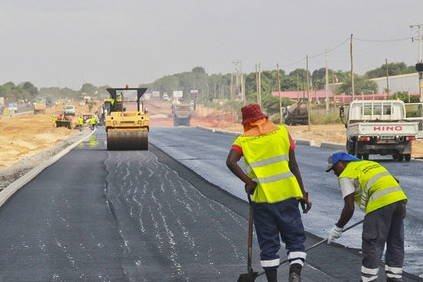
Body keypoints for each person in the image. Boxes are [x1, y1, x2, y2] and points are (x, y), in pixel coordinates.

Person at [226, 103, 311, 282]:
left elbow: (230, 161)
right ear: (264, 117)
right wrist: (303, 194)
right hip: (287, 194)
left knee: (268, 244)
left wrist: (249, 182)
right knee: (295, 239)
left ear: (247, 122)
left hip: (262, 199)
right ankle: (295, 273)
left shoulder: (243, 140)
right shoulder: (282, 131)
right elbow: (293, 165)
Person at [325, 151, 407, 282]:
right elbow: (395, 180)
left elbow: (349, 207)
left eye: (334, 168)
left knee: (372, 242)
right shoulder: (370, 164)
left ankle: (369, 279)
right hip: (399, 200)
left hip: (380, 203)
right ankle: (395, 278)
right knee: (395, 242)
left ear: (342, 162)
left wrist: (338, 227)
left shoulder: (346, 175)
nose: (335, 173)